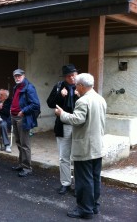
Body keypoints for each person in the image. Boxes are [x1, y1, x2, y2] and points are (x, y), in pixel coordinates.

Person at [55, 73, 107, 219]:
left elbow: (77, 119)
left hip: (85, 147)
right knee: (95, 177)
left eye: (77, 84)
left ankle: (85, 209)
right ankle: (94, 206)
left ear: (82, 86)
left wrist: (62, 114)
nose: (75, 87)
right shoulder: (100, 99)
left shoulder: (83, 101)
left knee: (84, 179)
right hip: (97, 146)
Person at [46, 64, 80, 195]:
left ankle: (78, 185)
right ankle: (65, 183)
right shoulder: (59, 86)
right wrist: (60, 95)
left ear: (77, 74)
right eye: (69, 75)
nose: (72, 78)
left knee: (78, 157)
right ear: (65, 77)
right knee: (64, 157)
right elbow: (50, 103)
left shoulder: (82, 86)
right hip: (63, 125)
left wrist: (79, 96)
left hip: (79, 126)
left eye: (73, 74)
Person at [10, 69, 40, 178]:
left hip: (22, 118)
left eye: (19, 76)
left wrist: (23, 111)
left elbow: (35, 104)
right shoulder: (16, 87)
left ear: (24, 76)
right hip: (14, 116)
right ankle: (21, 164)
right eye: (15, 76)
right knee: (18, 142)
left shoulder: (29, 87)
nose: (17, 78)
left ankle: (27, 167)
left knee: (25, 144)